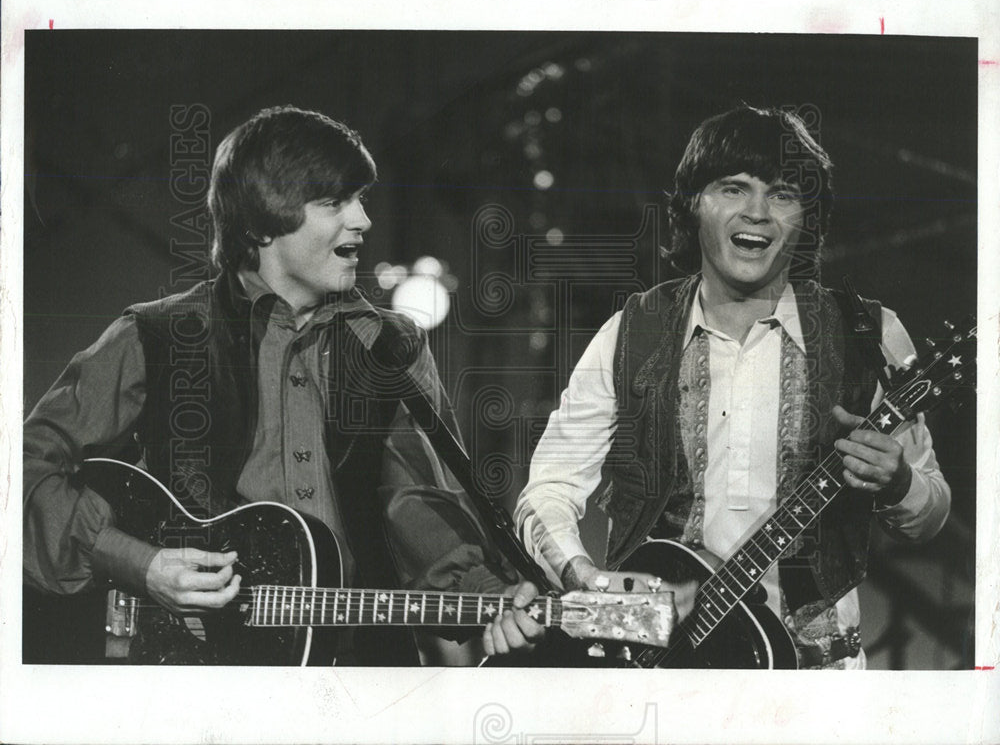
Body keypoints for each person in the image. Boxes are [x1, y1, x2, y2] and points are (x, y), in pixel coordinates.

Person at [23, 104, 542, 665]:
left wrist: (488, 599)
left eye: (361, 199)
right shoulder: (157, 334)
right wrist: (140, 564)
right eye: (335, 201)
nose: (363, 220)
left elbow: (417, 506)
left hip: (357, 674)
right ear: (262, 222)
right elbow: (21, 471)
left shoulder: (391, 345)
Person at [514, 105, 951, 669]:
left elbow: (932, 510)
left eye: (783, 194)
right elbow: (548, 488)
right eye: (733, 188)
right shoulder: (632, 332)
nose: (758, 213)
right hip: (664, 669)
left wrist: (897, 483)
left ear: (807, 220)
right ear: (693, 204)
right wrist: (587, 581)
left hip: (818, 683)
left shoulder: (870, 334)